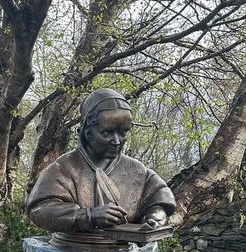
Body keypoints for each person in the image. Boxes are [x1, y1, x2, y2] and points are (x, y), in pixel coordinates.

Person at [26, 88, 175, 237]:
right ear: (87, 131)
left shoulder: (137, 170)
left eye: (123, 132)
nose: (117, 141)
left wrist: (156, 216)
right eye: (106, 133)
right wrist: (87, 216)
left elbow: (159, 197)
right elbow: (40, 209)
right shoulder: (63, 169)